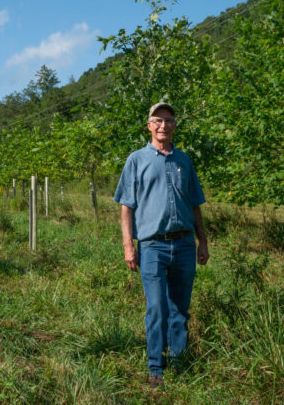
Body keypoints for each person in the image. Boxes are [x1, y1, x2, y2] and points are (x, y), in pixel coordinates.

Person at [113, 102, 209, 389]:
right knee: (157, 308)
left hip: (183, 246)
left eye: (169, 120)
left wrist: (202, 240)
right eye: (158, 120)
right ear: (149, 125)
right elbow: (126, 207)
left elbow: (195, 205)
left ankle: (178, 363)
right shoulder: (137, 160)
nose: (163, 125)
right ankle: (156, 367)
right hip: (152, 247)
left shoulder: (184, 161)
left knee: (180, 309)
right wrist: (128, 246)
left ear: (175, 125)